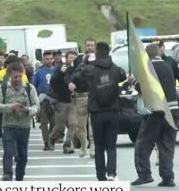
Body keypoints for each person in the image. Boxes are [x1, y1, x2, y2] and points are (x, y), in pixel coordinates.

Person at [70, 42, 127, 181]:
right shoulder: (115, 69)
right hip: (113, 111)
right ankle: (112, 173)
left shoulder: (90, 69)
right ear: (108, 53)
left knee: (99, 145)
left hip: (97, 112)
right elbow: (123, 77)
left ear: (97, 53)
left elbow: (75, 78)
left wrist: (83, 63)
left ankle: (101, 176)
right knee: (111, 145)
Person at [131, 44, 179, 188]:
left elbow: (143, 87)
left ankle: (144, 174)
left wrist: (132, 81)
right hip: (173, 110)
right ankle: (168, 177)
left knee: (143, 143)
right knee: (166, 145)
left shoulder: (149, 68)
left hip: (156, 111)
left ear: (147, 56)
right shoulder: (167, 66)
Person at [0, 61, 39, 181]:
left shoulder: (29, 88)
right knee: (8, 152)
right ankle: (7, 174)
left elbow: (36, 106)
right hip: (9, 125)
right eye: (15, 76)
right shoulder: (2, 88)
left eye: (19, 76)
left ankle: (20, 177)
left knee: (23, 156)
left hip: (24, 126)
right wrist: (10, 107)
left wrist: (28, 109)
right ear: (9, 75)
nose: (17, 79)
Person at [66, 52, 95, 158]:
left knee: (93, 125)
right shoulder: (78, 68)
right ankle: (83, 145)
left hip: (93, 97)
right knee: (81, 125)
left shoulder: (98, 70)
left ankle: (93, 147)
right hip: (81, 97)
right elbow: (69, 76)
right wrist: (70, 82)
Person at [48, 51, 78, 154]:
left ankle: (67, 144)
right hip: (61, 101)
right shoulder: (60, 68)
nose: (72, 59)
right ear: (66, 58)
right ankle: (52, 138)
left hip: (73, 101)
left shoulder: (77, 69)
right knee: (60, 127)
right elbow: (53, 82)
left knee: (73, 124)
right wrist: (61, 72)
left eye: (74, 58)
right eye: (71, 57)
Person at [31, 51, 56, 151]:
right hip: (42, 101)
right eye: (47, 59)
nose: (49, 61)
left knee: (54, 123)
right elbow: (33, 85)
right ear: (43, 60)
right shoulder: (38, 72)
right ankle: (46, 143)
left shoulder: (56, 71)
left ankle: (51, 138)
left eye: (51, 59)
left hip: (54, 100)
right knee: (44, 123)